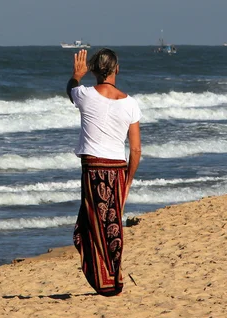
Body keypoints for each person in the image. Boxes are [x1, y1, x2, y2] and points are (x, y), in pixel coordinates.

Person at [66, 48, 142, 296]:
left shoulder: (84, 94)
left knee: (89, 226)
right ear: (117, 69)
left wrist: (77, 75)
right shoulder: (130, 103)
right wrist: (128, 180)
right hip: (117, 170)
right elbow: (136, 149)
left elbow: (70, 90)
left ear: (95, 71)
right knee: (112, 225)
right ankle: (114, 277)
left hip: (92, 169)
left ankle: (104, 280)